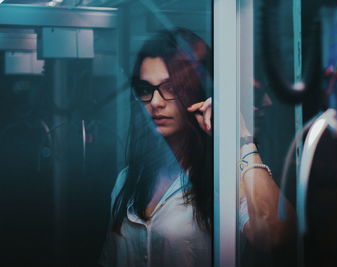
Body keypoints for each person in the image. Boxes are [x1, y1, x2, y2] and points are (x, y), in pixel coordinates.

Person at [99, 28, 295, 267]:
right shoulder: (128, 179)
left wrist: (241, 139)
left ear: (194, 91)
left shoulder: (226, 180)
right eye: (145, 90)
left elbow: (276, 235)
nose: (155, 102)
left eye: (170, 88)